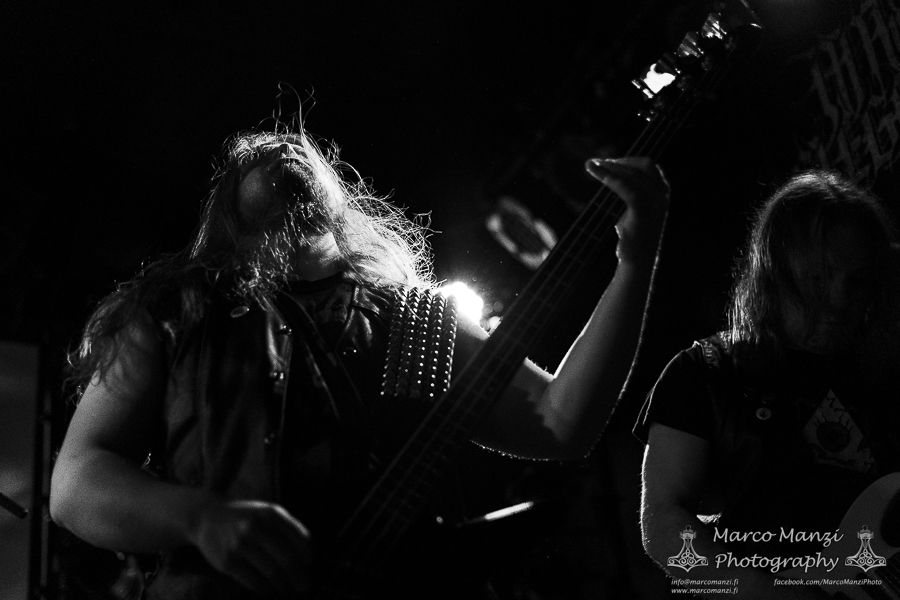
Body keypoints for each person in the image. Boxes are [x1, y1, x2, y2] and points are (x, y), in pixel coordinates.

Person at [49, 126, 669, 599]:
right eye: (251, 152)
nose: (281, 144)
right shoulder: (172, 310)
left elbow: (561, 422)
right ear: (226, 216)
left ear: (339, 197)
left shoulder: (417, 318)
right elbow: (76, 481)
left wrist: (635, 262)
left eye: (299, 145)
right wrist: (198, 519)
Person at [637, 170, 900, 598]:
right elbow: (664, 527)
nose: (839, 300)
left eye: (857, 280)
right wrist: (766, 593)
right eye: (819, 276)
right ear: (776, 270)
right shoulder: (704, 371)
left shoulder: (885, 372)